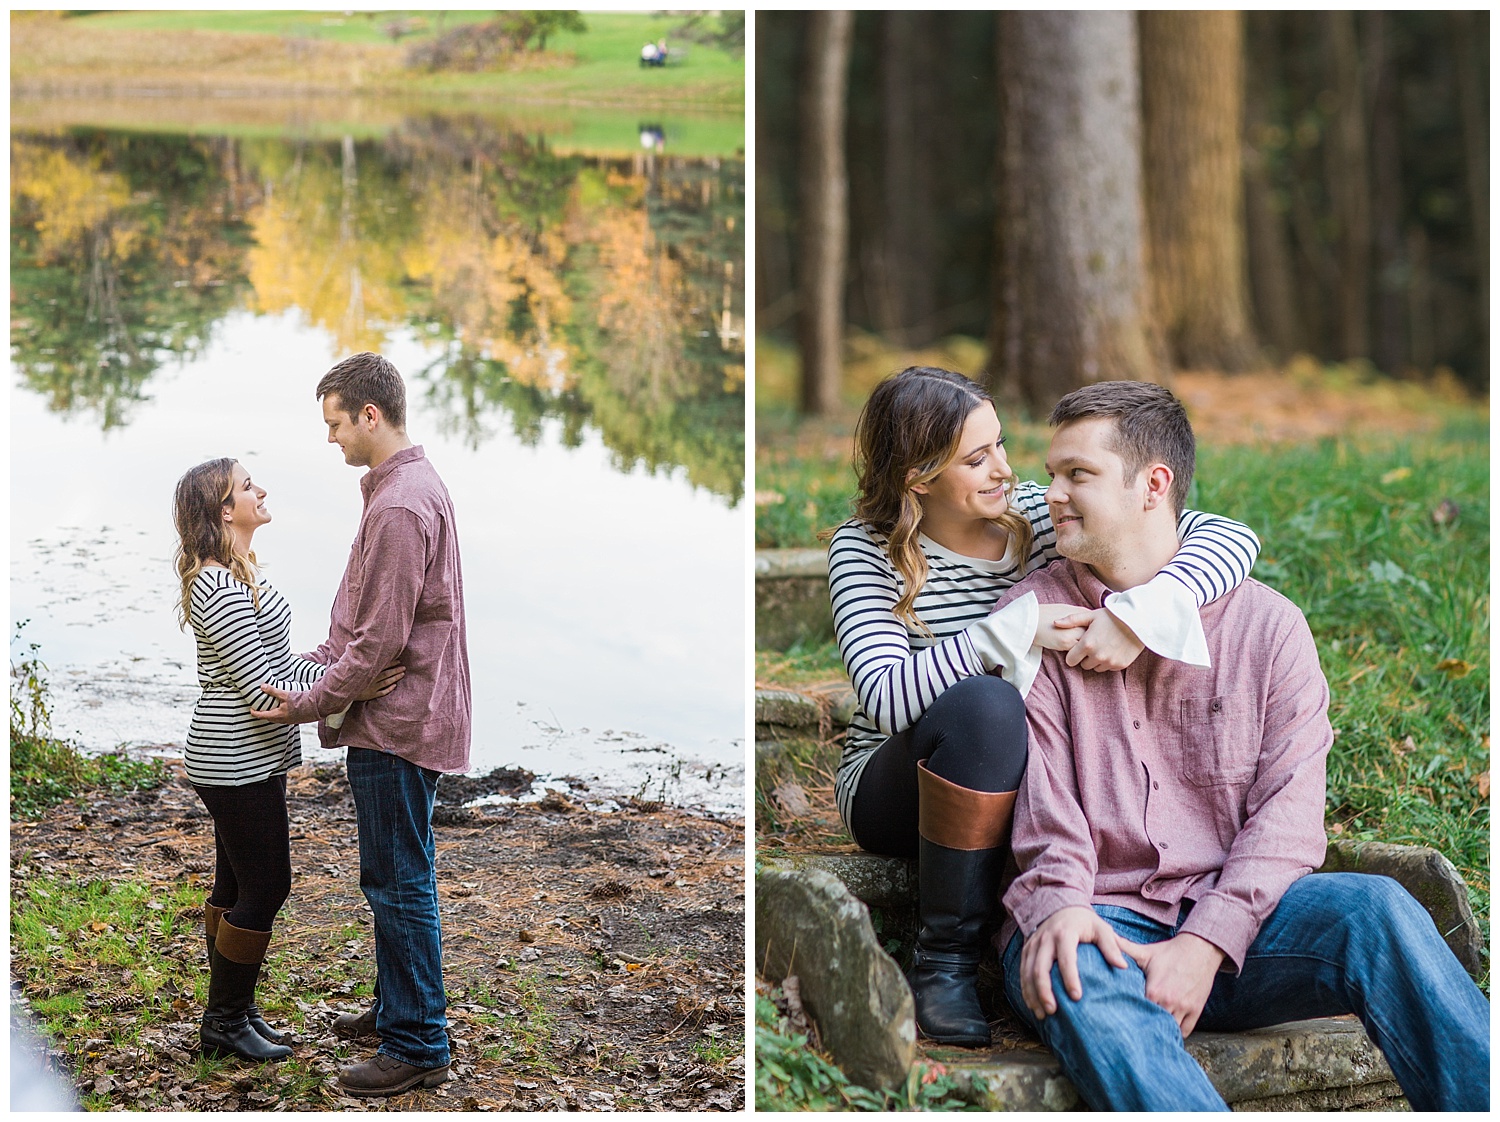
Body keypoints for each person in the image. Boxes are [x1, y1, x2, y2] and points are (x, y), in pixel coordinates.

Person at [996, 380, 1489, 1111]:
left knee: (1376, 909)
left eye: (1078, 475)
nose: (1051, 495)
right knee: (1074, 962)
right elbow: (1045, 805)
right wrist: (1062, 905)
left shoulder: (1267, 628)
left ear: (1152, 486)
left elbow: (1291, 817)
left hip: (1245, 924)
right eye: (1051, 472)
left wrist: (1207, 943)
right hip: (1096, 920)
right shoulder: (1033, 618)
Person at [826, 366, 1261, 1047]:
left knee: (1003, 709)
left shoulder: (1032, 513)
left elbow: (1230, 537)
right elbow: (885, 698)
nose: (1003, 469)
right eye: (976, 459)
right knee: (986, 705)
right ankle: (944, 963)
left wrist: (1143, 614)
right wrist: (1006, 632)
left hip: (1030, 767)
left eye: (1000, 444)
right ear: (919, 477)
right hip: (902, 777)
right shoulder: (866, 551)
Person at [253, 352, 472, 1098]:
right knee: (396, 872)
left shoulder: (401, 506)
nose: (330, 439)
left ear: (370, 416)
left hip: (398, 722)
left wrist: (299, 702)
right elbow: (354, 632)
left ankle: (416, 1042)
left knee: (398, 880)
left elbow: (377, 645)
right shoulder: (399, 491)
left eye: (335, 422)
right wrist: (303, 671)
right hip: (396, 712)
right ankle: (397, 1007)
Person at [173, 458, 402, 1063]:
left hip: (252, 757)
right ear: (225, 511)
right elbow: (259, 688)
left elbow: (278, 664)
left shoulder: (237, 576)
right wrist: (350, 687)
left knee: (237, 880)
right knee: (269, 883)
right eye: (248, 487)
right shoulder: (215, 587)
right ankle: (222, 1021)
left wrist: (342, 674)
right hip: (233, 760)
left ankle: (234, 1012)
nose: (261, 490)